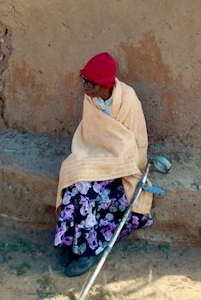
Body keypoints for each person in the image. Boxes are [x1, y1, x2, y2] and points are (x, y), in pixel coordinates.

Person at [54, 52, 154, 277]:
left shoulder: (128, 100)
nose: (85, 87)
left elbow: (136, 142)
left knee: (89, 191)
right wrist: (94, 162)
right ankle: (72, 243)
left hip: (123, 162)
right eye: (83, 80)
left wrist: (112, 165)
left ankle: (90, 249)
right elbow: (91, 136)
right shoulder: (90, 98)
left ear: (104, 85)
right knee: (73, 178)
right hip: (97, 154)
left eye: (91, 83)